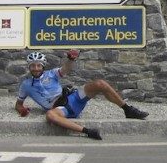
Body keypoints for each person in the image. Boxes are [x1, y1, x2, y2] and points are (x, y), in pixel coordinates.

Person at [15, 50, 149, 141]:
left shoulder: (52, 73)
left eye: (39, 65)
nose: (36, 68)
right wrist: (22, 110)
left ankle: (128, 110)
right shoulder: (26, 85)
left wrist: (71, 59)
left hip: (72, 98)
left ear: (43, 66)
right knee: (50, 115)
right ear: (29, 67)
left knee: (100, 83)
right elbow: (18, 104)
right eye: (33, 66)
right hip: (61, 109)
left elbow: (65, 69)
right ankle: (88, 132)